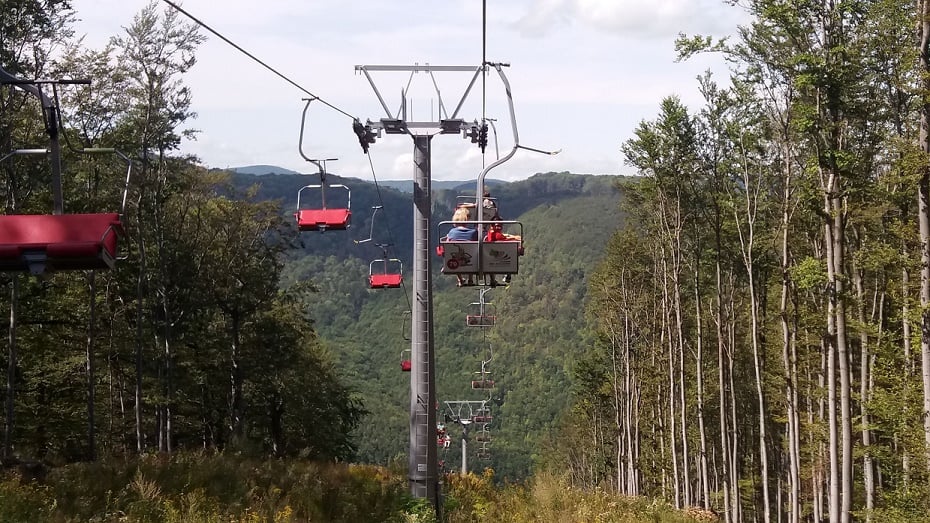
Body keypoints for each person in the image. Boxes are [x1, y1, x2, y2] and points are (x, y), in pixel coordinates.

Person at [446, 207, 477, 286]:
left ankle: (460, 279)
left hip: (455, 261)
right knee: (473, 253)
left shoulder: (451, 232)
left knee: (451, 256)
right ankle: (470, 279)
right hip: (471, 259)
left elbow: (447, 245)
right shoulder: (473, 232)